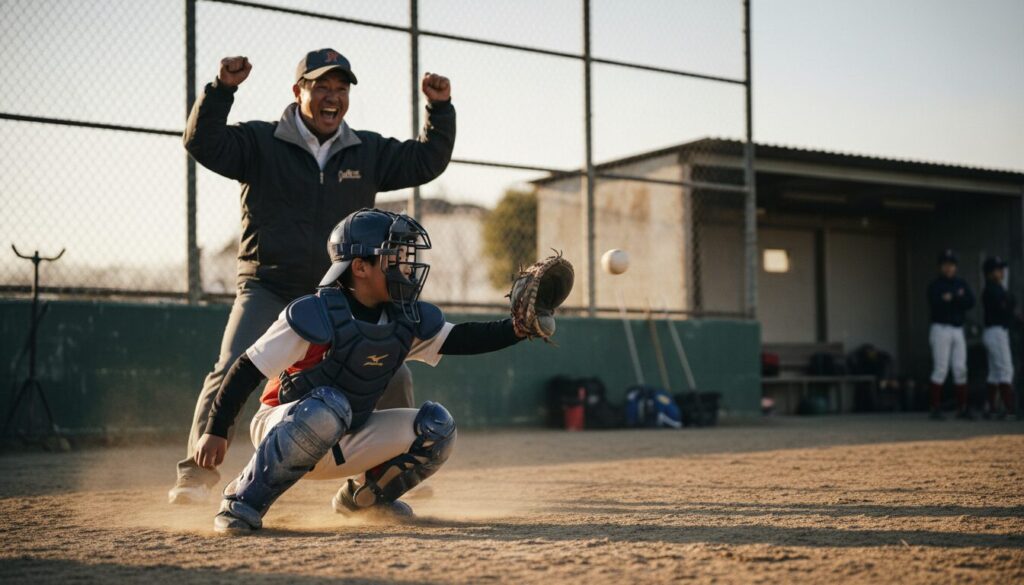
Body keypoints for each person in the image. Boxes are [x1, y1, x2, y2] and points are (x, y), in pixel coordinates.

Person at [171, 48, 456, 504]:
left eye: (341, 89)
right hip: (269, 281)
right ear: (298, 91)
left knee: (394, 371)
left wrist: (439, 110)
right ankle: (196, 474)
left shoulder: (367, 150)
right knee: (232, 364)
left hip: (339, 290)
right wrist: (222, 90)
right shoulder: (260, 142)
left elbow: (427, 162)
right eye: (321, 86)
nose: (332, 97)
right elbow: (202, 143)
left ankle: (382, 476)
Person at [194, 209, 547, 534]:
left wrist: (516, 329)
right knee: (328, 406)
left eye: (407, 257)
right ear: (359, 267)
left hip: (348, 434)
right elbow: (247, 368)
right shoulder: (314, 315)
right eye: (395, 257)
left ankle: (363, 499)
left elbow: (461, 338)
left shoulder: (403, 318)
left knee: (437, 428)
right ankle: (241, 501)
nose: (407, 267)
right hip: (284, 425)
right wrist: (217, 428)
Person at [927, 249, 975, 419]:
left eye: (952, 265)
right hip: (940, 329)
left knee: (960, 368)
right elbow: (936, 303)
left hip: (957, 328)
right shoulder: (936, 285)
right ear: (940, 267)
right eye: (946, 265)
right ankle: (935, 408)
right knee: (941, 368)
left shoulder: (960, 283)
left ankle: (962, 407)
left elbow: (970, 301)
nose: (949, 268)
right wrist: (955, 299)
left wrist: (953, 298)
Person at [981, 255, 1017, 418]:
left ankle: (992, 407)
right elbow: (1005, 308)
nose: (1000, 272)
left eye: (1001, 270)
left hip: (998, 331)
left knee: (995, 372)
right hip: (995, 331)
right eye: (997, 270)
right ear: (989, 272)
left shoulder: (1000, 288)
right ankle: (1008, 408)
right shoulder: (991, 290)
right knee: (1005, 370)